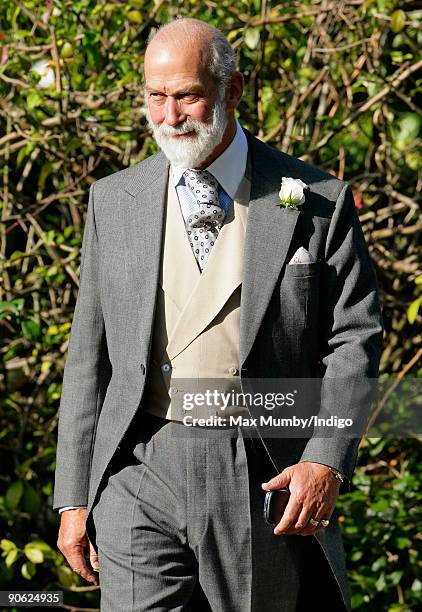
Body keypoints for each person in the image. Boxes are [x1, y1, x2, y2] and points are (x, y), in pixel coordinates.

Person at [53, 17, 383, 612]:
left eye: (188, 96)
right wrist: (74, 495)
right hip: (138, 464)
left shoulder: (313, 199)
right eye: (156, 97)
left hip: (257, 468)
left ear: (232, 91)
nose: (169, 116)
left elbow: (354, 338)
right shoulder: (113, 199)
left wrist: (325, 458)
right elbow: (88, 357)